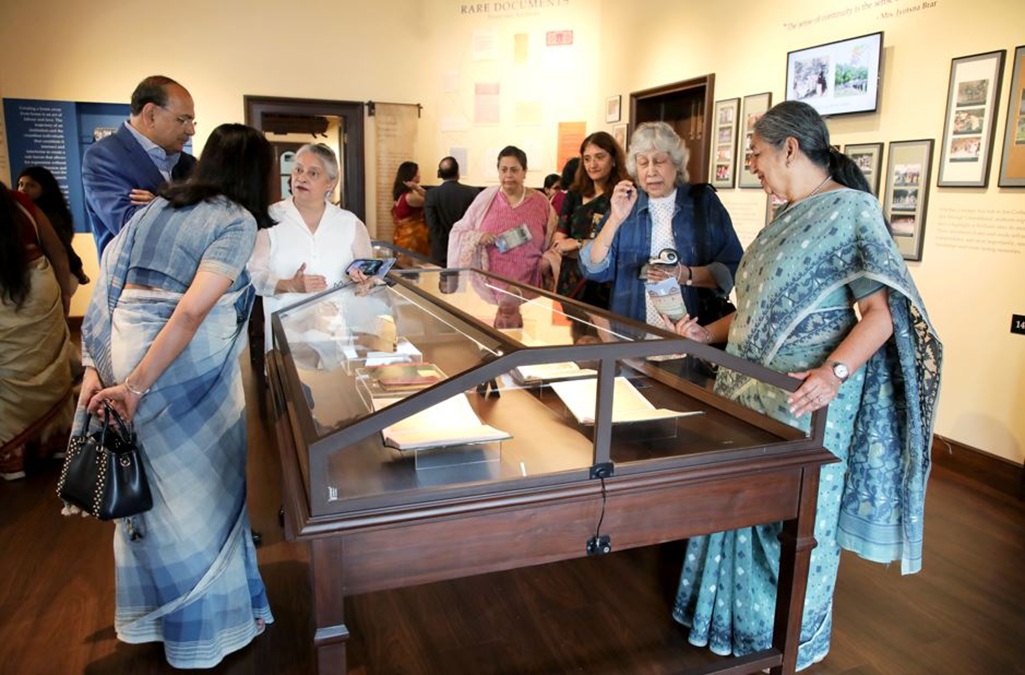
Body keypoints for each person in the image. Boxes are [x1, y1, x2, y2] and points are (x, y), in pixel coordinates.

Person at [667, 101, 943, 670]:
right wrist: (703, 334)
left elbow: (880, 316)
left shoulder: (853, 212)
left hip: (803, 403)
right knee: (735, 508)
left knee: (792, 526)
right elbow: (751, 313)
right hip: (746, 395)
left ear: (790, 148)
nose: (751, 165)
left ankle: (788, 640)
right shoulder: (784, 217)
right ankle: (726, 627)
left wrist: (833, 373)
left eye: (756, 153)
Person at [76, 123, 277, 668]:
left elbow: (108, 285)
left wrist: (97, 367)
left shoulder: (157, 207)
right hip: (183, 372)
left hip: (128, 354)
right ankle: (204, 633)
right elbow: (191, 312)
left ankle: (152, 622)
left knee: (152, 498)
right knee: (202, 497)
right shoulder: (236, 221)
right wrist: (136, 387)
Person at [579, 122, 743, 329]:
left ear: (676, 163)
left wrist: (685, 275)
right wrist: (615, 220)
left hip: (690, 334)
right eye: (643, 163)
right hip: (631, 334)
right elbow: (593, 268)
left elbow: (732, 267)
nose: (651, 171)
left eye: (659, 161)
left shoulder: (703, 202)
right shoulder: (625, 204)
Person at [248, 143, 373, 353]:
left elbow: (368, 277)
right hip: (288, 338)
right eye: (298, 169)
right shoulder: (269, 218)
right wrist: (289, 285)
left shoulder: (350, 223)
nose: (302, 177)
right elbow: (252, 276)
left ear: (330, 182)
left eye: (313, 173)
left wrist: (365, 283)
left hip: (338, 337)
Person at [0, 184, 74, 480]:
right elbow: (57, 251)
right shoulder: (20, 203)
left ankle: (13, 456)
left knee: (8, 374)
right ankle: (54, 442)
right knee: (49, 364)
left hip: (5, 298)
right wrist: (64, 296)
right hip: (38, 289)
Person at [82, 75, 197, 255]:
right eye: (183, 120)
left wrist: (156, 204)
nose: (191, 130)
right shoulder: (104, 156)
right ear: (151, 115)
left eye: (192, 121)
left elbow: (212, 222)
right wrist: (181, 209)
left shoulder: (188, 164)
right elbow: (133, 229)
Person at [447, 145, 558, 291]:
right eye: (504, 170)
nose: (508, 175)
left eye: (514, 170)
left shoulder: (541, 202)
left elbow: (555, 240)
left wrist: (547, 260)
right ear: (498, 171)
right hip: (490, 289)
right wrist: (479, 237)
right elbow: (458, 232)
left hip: (530, 286)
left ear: (524, 171)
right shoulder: (485, 199)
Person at [547, 131, 630, 308]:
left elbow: (615, 249)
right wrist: (588, 246)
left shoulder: (622, 197)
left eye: (600, 157)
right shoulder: (574, 195)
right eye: (587, 159)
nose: (592, 165)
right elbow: (559, 243)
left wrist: (577, 243)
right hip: (570, 282)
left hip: (605, 284)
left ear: (613, 159)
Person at [17, 166, 89, 287]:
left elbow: (62, 248)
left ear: (45, 190)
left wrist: (78, 271)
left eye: (31, 185)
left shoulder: (49, 216)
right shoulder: (20, 212)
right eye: (21, 184)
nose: (23, 189)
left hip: (47, 276)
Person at [423, 156, 479, 267]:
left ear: (440, 174)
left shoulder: (431, 195)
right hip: (465, 248)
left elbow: (432, 225)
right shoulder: (473, 192)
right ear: (458, 173)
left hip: (441, 251)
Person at [391, 160, 430, 259]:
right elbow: (431, 200)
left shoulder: (400, 195)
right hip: (413, 238)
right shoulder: (410, 197)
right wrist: (418, 188)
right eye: (418, 172)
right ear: (412, 175)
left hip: (402, 236)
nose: (419, 175)